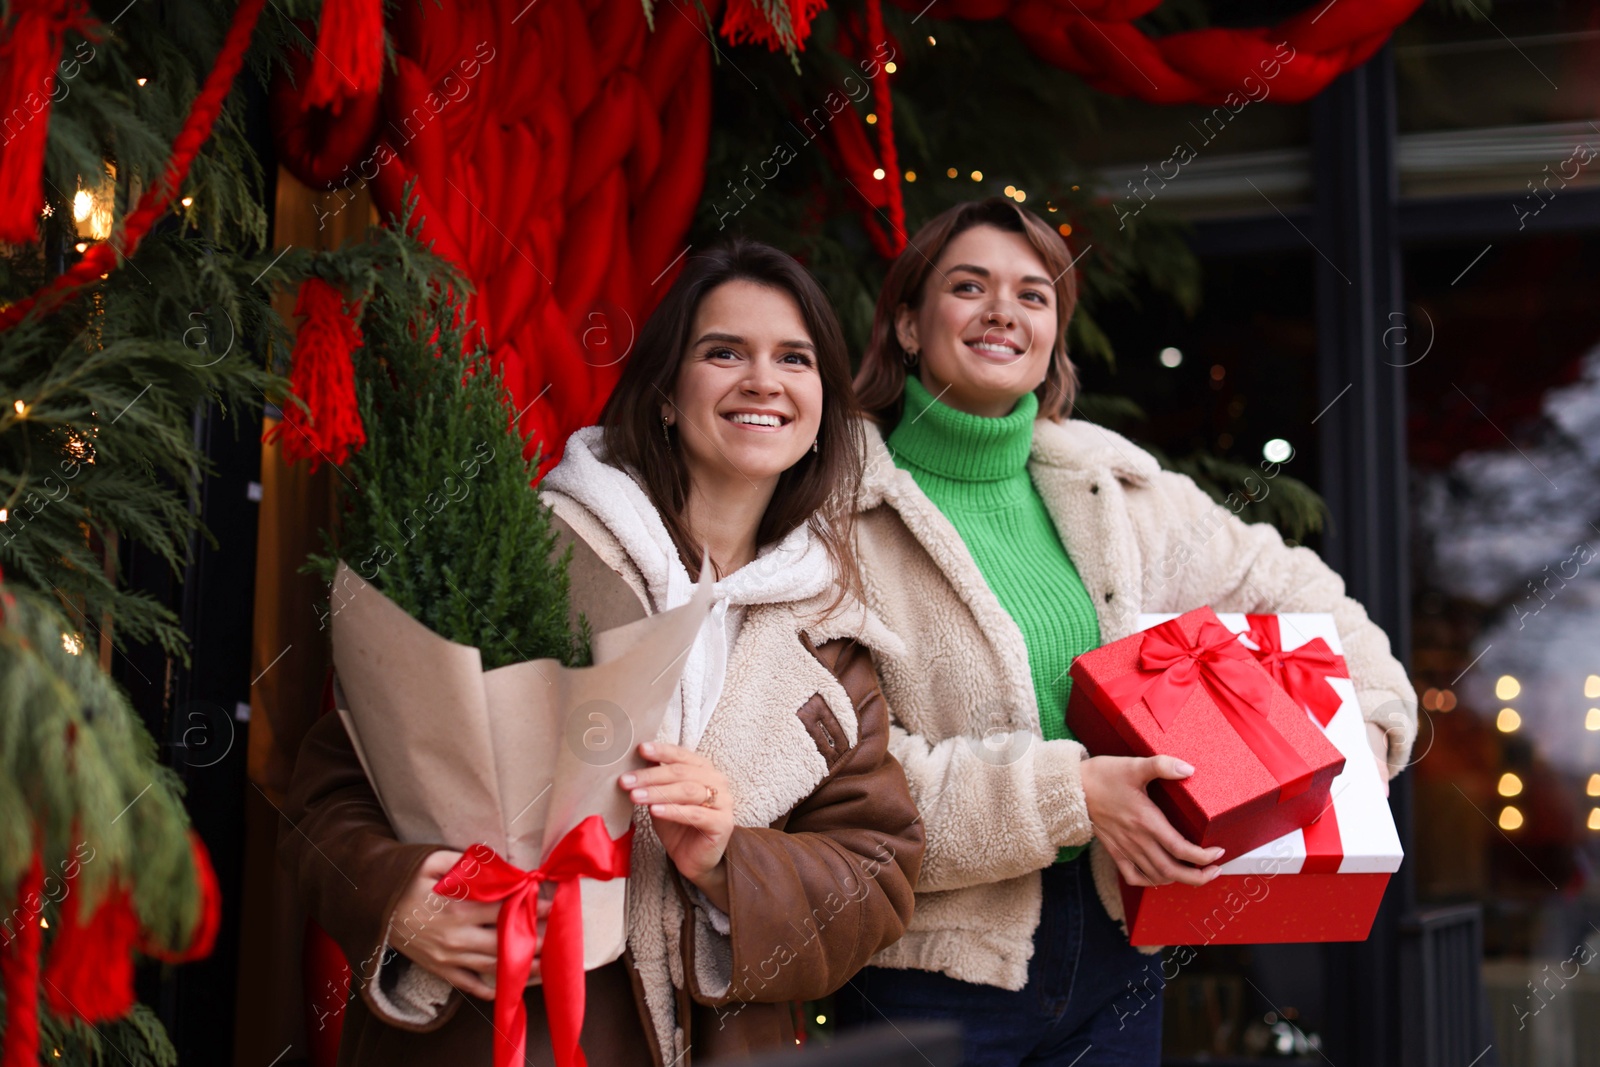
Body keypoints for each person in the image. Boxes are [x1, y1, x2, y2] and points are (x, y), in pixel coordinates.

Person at [281, 239, 924, 1066]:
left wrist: (732, 859)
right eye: (723, 351)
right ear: (664, 394)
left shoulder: (832, 635)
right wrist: (398, 898)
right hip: (504, 1028)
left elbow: (878, 876)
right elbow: (327, 790)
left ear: (821, 411)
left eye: (794, 359)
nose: (763, 380)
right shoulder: (525, 554)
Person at [830, 198, 1417, 1065]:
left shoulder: (1113, 487)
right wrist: (1077, 793)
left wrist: (1363, 717)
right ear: (909, 324)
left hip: (1119, 961)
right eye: (969, 286)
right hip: (933, 974)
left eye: (1034, 295)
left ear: (1053, 336)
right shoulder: (837, 510)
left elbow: (1298, 588)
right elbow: (848, 777)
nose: (1005, 310)